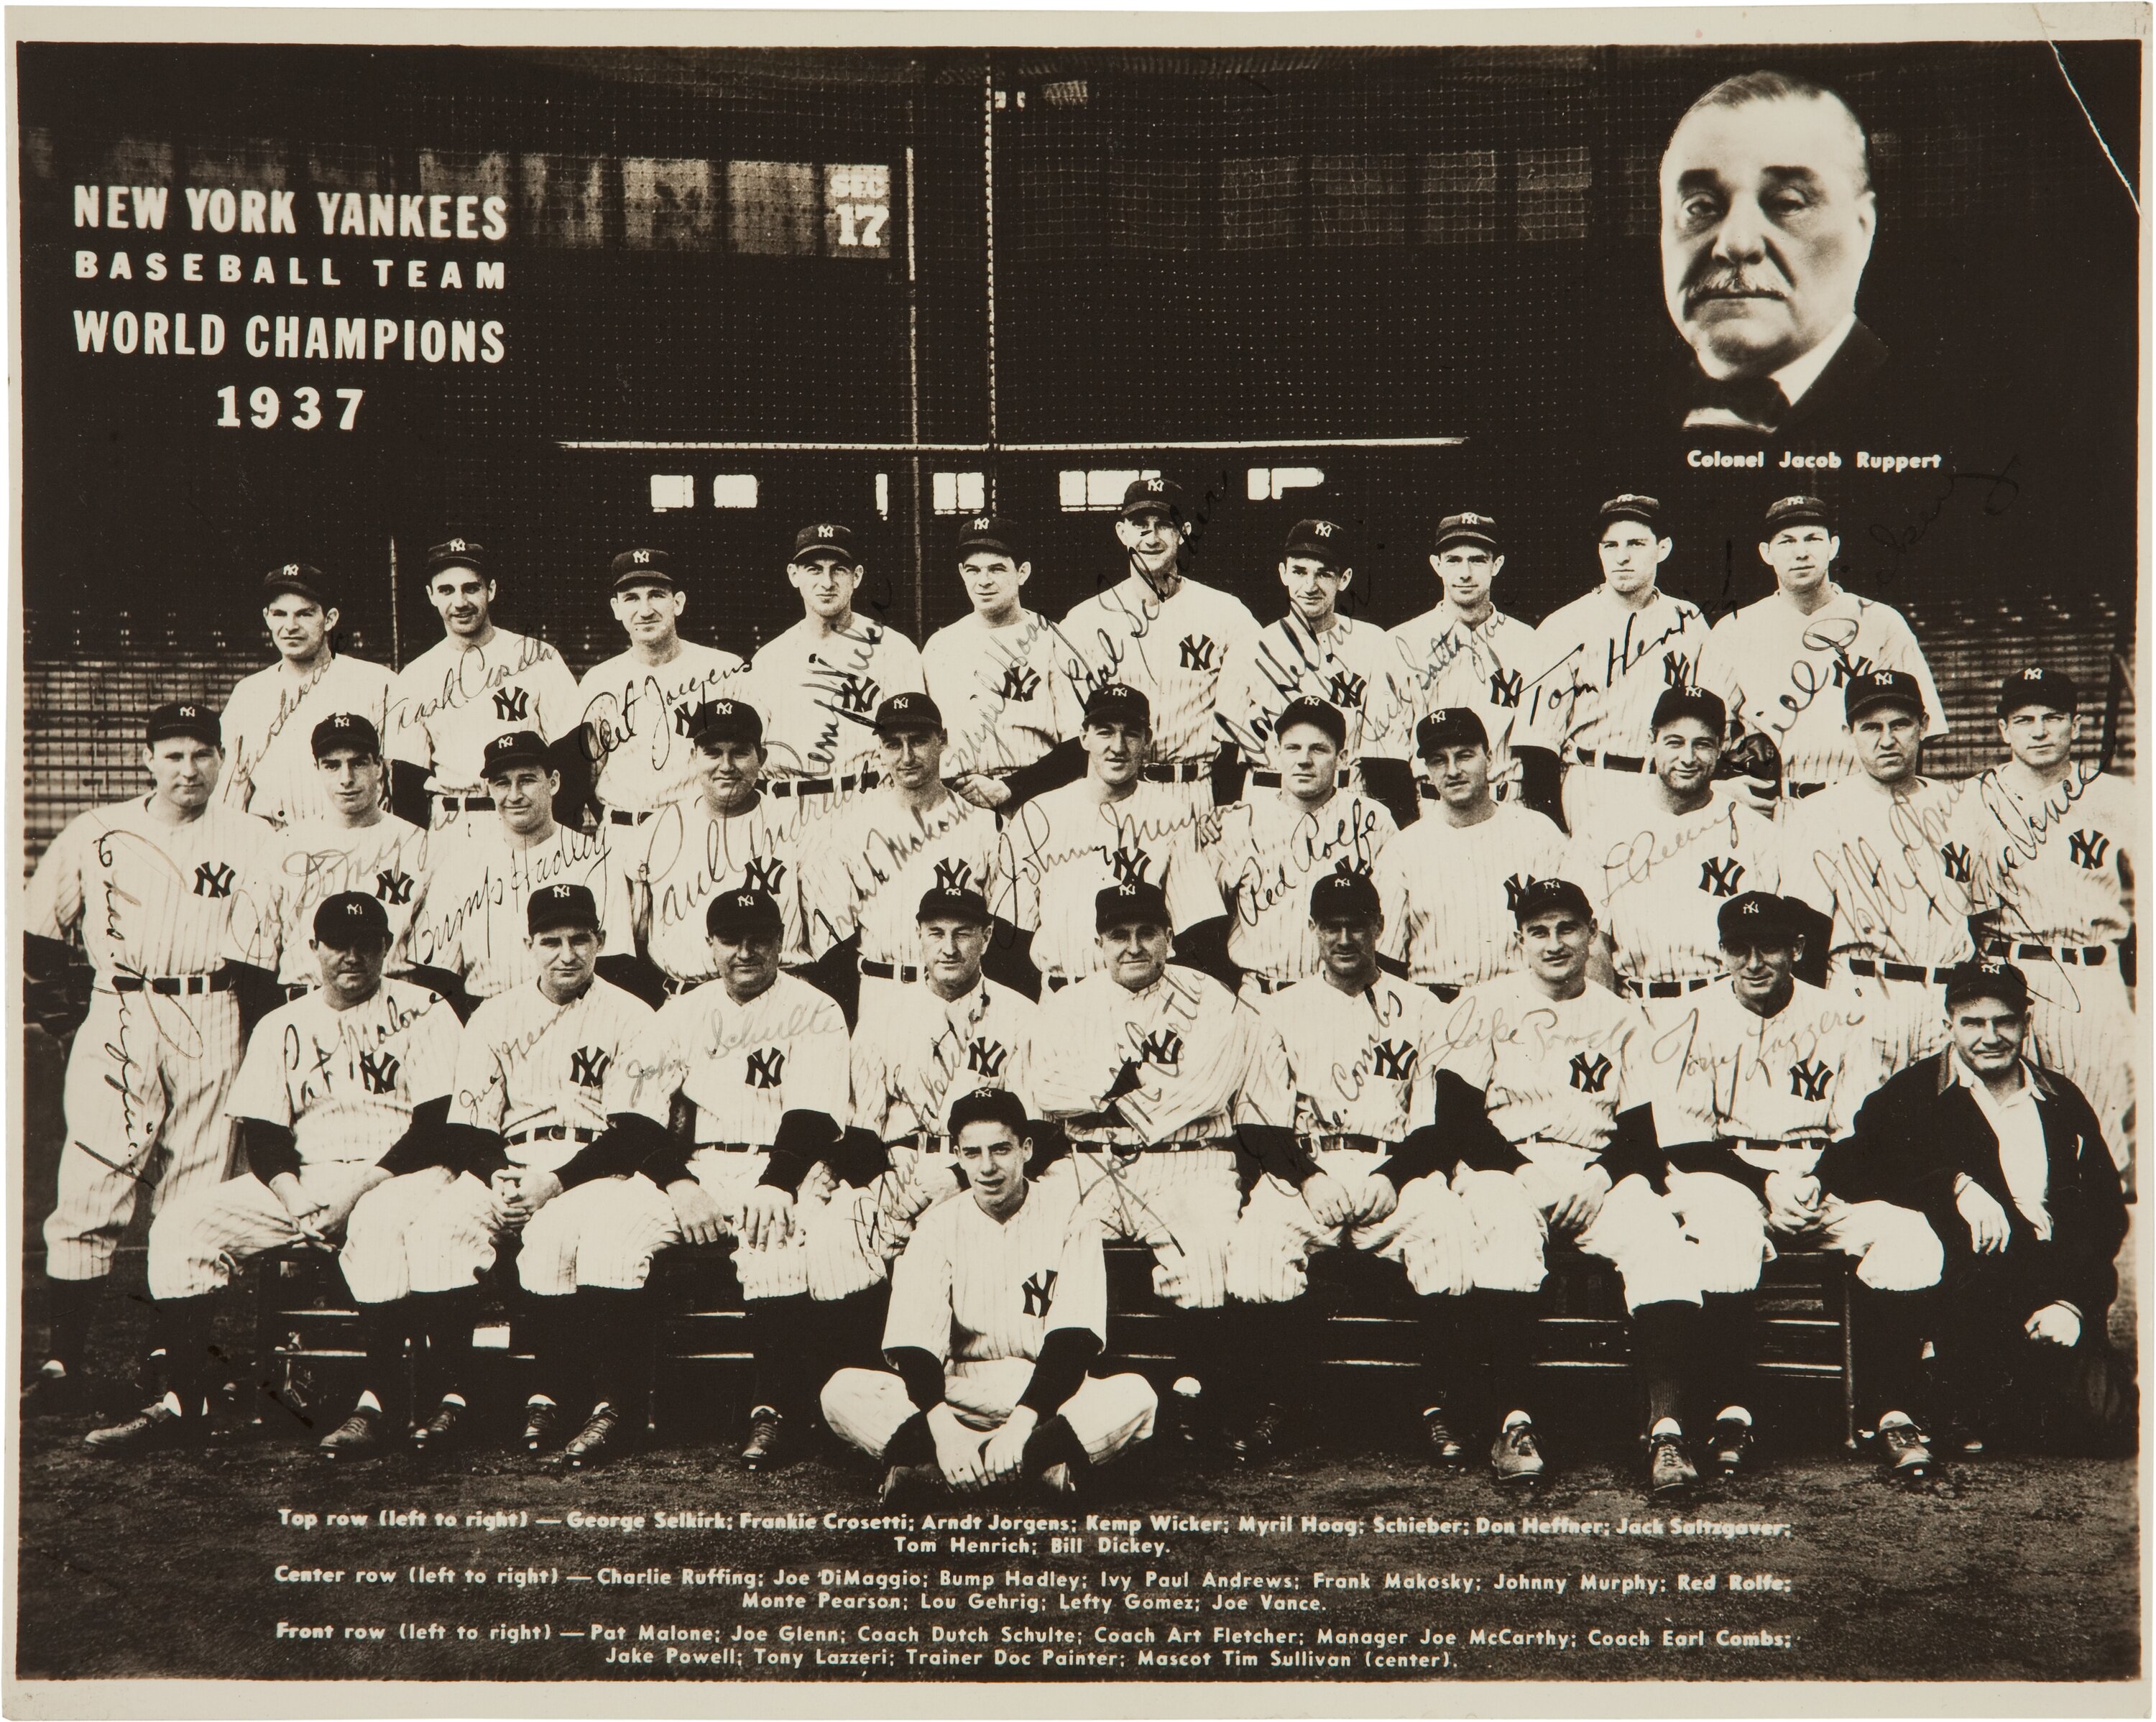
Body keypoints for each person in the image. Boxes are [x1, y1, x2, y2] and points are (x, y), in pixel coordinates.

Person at [81, 894, 461, 1454]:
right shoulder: (282, 1022)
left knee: (378, 1224)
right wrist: (295, 1198)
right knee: (184, 1226)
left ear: (387, 947)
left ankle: (377, 1404)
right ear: (313, 949)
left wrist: (357, 1191)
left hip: (402, 1176)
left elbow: (436, 1126)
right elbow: (264, 1133)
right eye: (338, 944)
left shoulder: (425, 1007)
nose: (352, 957)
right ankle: (184, 1403)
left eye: (366, 944)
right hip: (306, 1179)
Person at [510, 888, 857, 1471]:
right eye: (730, 940)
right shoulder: (681, 1012)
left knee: (775, 1250)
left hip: (777, 1165)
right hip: (695, 1167)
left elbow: (814, 1114)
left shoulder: (816, 1008)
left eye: (760, 939)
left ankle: (771, 1410)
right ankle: (615, 1408)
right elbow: (636, 1114)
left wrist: (775, 1183)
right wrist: (679, 1184)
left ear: (781, 943)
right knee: (612, 1237)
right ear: (710, 945)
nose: (745, 952)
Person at [1401, 878, 1708, 1496]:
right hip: (1507, 1166)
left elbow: (1642, 1133)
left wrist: (1597, 1179)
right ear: (1519, 942)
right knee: (1506, 1233)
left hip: (1595, 1167)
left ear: (1592, 934)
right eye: (1538, 931)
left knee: (1659, 1238)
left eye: (1567, 928)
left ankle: (1667, 1431)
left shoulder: (1624, 1016)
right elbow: (1458, 1119)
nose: (1554, 942)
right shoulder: (1481, 1004)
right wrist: (1525, 1174)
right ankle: (1514, 1422)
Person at [328, 883, 654, 1457]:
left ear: (601, 941)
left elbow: (633, 1134)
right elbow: (468, 1123)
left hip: (593, 1167)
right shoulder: (495, 1015)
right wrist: (500, 1174)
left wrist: (552, 1182)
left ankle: (553, 1395)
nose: (567, 954)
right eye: (551, 941)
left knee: (558, 1236)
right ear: (529, 944)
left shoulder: (633, 1014)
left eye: (581, 939)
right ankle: (461, 1396)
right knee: (437, 1232)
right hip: (508, 1162)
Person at [22, 703, 275, 1415]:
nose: (187, 769)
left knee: (195, 1188)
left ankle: (173, 1355)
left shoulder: (253, 836)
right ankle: (63, 1359)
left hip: (214, 1002)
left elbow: (267, 948)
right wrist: (66, 1018)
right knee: (92, 1180)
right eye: (172, 754)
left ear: (223, 760)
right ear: (147, 759)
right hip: (121, 1005)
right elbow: (38, 932)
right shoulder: (95, 829)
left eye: (201, 754)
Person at [1649, 890, 1938, 1477]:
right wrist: (1767, 1187)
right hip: (1725, 1174)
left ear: (1797, 949)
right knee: (1727, 1237)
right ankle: (1732, 1410)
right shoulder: (1688, 1015)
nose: (1754, 962)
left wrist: (1812, 1183)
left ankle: (1891, 1410)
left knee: (1911, 1236)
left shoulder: (1844, 1015)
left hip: (1818, 1172)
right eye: (1739, 949)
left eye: (1770, 948)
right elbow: (1683, 1140)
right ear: (1722, 952)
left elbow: (1859, 1129)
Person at [1818, 960, 2130, 1472]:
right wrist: (1954, 1184)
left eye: (2003, 1021)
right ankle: (1955, 1394)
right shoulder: (1917, 1093)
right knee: (2002, 1409)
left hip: (2052, 1288)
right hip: (1972, 1290)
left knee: (2109, 1426)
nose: (1991, 1037)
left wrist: (2073, 1304)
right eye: (1973, 1023)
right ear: (1949, 1025)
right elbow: (1846, 1165)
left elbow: (2103, 1218)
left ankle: (1983, 1399)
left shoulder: (2059, 1099)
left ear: (2027, 1021)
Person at [1222, 872, 1475, 1462]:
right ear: (1312, 931)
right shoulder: (1276, 1011)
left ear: (1379, 927)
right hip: (1308, 1165)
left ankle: (1441, 1406)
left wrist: (1395, 1176)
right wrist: (1308, 1179)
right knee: (1259, 1244)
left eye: (1357, 924)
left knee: (1450, 1234)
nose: (1344, 938)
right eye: (1331, 925)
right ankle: (1277, 1403)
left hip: (1394, 1165)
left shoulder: (1422, 1007)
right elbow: (1259, 1126)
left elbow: (1441, 1121)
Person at [1028, 881, 1281, 1440]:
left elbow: (1209, 1092)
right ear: (1099, 943)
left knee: (1207, 1247)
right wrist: (1121, 1086)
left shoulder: (1212, 997)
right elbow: (1044, 1087)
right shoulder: (1068, 1004)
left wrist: (1102, 1100)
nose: (1133, 947)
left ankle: (1192, 1390)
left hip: (1189, 1160)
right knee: (1046, 1238)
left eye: (1147, 933)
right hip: (1091, 1165)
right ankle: (1063, 1391)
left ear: (1169, 937)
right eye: (1119, 935)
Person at [821, 1088, 1158, 1501]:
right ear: (959, 1157)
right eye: (973, 1153)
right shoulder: (939, 1224)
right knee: (841, 1391)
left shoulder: (1071, 1214)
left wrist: (1019, 1429)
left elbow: (1075, 1340)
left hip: (1048, 1396)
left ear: (1026, 1150)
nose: (987, 1167)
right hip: (960, 1392)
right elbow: (913, 1346)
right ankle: (1034, 1471)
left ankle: (935, 1476)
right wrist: (946, 1435)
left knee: (1136, 1396)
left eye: (1000, 1149)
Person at [806, 886, 1040, 1304]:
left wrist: (957, 1177)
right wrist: (887, 1190)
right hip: (895, 1168)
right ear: (919, 935)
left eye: (963, 933)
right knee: (837, 1237)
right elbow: (863, 1131)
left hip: (979, 1173)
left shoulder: (1023, 1015)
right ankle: (866, 1363)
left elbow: (1031, 1126)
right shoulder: (882, 1017)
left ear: (986, 937)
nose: (949, 948)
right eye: (936, 933)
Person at [1954, 668, 2137, 1164]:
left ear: (2075, 725)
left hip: (2091, 974)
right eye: (2024, 719)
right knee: (2012, 1132)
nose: (2039, 731)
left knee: (2099, 1135)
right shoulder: (1972, 799)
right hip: (2010, 972)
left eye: (2053, 718)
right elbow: (1955, 900)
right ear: (2002, 729)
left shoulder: (2118, 798)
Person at [1659, 71, 1882, 436]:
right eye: (1700, 207)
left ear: (1863, 230)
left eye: (1787, 203)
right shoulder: (1606, 421)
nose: (1736, 244)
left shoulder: (1929, 410)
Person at [1781, 669, 1978, 1071]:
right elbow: (1806, 932)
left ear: (1924, 726)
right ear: (1847, 731)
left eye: (1900, 724)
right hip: (1859, 992)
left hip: (1944, 999)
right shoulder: (1819, 813)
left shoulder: (1965, 807)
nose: (1887, 740)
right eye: (1870, 727)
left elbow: (1982, 919)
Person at [1511, 494, 1736, 832]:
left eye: (1636, 543)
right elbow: (1537, 745)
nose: (1622, 557)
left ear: (1663, 548)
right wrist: (1553, 827)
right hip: (1591, 781)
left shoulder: (1689, 621)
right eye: (1610, 546)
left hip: (1667, 786)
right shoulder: (1564, 625)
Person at [798, 692, 1011, 1028]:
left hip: (963, 996)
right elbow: (834, 950)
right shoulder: (850, 830)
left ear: (942, 740)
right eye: (893, 744)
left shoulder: (985, 826)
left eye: (918, 741)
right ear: (880, 749)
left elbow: (1002, 937)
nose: (907, 756)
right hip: (882, 992)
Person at [1567, 687, 1782, 1018]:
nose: (1687, 758)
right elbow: (1593, 945)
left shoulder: (1756, 834)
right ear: (1651, 740)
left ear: (1722, 746)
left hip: (1728, 1010)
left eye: (1703, 744)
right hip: (1637, 1007)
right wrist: (1609, 1022)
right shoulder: (1603, 829)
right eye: (1675, 742)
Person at [1713, 495, 1945, 801]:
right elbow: (1707, 729)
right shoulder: (1734, 629)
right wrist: (1721, 788)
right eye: (1787, 541)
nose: (1801, 552)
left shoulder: (1881, 621)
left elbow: (1919, 728)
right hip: (1774, 801)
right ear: (1765, 553)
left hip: (1863, 798)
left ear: (1834, 547)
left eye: (1813, 538)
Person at [1055, 477, 1260, 817]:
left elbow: (1243, 726)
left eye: (1165, 525)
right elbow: (1074, 731)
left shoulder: (1227, 614)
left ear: (1184, 532)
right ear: (1122, 532)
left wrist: (1225, 803)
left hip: (1196, 792)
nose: (1152, 537)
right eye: (1140, 525)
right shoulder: (1084, 621)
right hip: (1115, 792)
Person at [1000, 682, 1220, 992]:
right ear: (1084, 737)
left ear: (1147, 740)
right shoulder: (1038, 815)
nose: (1118, 746)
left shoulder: (1173, 816)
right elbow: (1009, 935)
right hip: (1061, 995)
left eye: (1131, 733)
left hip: (1143, 997)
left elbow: (1197, 930)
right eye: (1105, 731)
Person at [602, 697, 806, 1000]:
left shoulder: (798, 827)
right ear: (694, 755)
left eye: (739, 753)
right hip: (682, 999)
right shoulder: (657, 829)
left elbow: (825, 946)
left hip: (776, 1000)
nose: (726, 766)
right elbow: (635, 940)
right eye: (713, 753)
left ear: (761, 757)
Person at [221, 714, 432, 1000]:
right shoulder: (284, 847)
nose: (347, 779)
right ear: (317, 769)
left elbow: (434, 963)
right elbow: (251, 959)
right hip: (304, 1004)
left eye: (358, 762)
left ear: (379, 766)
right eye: (332, 766)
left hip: (392, 1009)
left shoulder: (420, 845)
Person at [400, 730, 615, 1011]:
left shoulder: (595, 858)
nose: (514, 795)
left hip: (575, 1017)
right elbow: (436, 976)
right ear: (489, 789)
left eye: (527, 780)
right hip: (486, 1016)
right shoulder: (460, 866)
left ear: (553, 782)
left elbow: (613, 965)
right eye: (503, 783)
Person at [385, 539, 582, 844]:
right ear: (431, 596)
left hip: (529, 824)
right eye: (446, 590)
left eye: (471, 588)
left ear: (491, 590)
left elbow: (570, 757)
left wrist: (561, 839)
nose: (460, 602)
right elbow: (408, 782)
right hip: (452, 826)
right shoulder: (414, 677)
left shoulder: (539, 658)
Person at [1199, 698, 1396, 1000]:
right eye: (1293, 748)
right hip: (1263, 997)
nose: (1304, 760)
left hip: (1345, 996)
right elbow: (1203, 926)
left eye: (1318, 749)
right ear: (1277, 753)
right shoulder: (1237, 823)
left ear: (1341, 758)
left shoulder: (1373, 821)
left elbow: (1391, 920)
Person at [1215, 517, 1414, 817]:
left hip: (1347, 794)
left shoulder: (1374, 643)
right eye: (1299, 571)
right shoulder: (1249, 647)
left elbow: (1385, 752)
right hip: (1266, 796)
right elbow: (1226, 751)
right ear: (1283, 573)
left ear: (1344, 579)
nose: (1310, 586)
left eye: (1324, 574)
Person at [1369, 709, 1567, 1003]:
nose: (1452, 771)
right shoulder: (1403, 850)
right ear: (1427, 770)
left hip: (1523, 1005)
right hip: (1438, 1008)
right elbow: (1386, 962)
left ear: (1488, 758)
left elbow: (1569, 938)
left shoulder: (1538, 832)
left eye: (1464, 755)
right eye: (1439, 760)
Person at [740, 521, 926, 834]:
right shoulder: (768, 660)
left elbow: (919, 747)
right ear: (793, 575)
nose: (827, 582)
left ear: (857, 577)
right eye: (814, 569)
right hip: (787, 813)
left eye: (838, 569)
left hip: (870, 804)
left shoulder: (894, 649)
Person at [575, 548, 747, 829]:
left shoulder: (725, 670)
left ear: (677, 603)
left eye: (656, 595)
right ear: (616, 608)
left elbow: (748, 762)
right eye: (632, 598)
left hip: (699, 829)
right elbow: (588, 772)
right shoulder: (598, 681)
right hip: (621, 829)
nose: (645, 611)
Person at [921, 514, 1085, 804]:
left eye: (997, 569)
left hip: (1038, 797)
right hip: (960, 798)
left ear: (1022, 572)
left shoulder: (1054, 639)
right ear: (961, 572)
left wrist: (1013, 787)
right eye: (973, 570)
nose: (984, 581)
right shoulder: (939, 646)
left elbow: (1080, 744)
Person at [217, 562, 396, 826]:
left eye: (305, 614)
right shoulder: (248, 694)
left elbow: (398, 782)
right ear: (267, 617)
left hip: (356, 844)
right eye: (280, 614)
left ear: (330, 619)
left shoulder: (376, 683)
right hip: (276, 843)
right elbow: (230, 792)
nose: (290, 626)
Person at [1386, 512, 1537, 805]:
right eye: (1454, 560)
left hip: (1507, 801)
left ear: (1497, 564)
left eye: (1477, 560)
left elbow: (1537, 744)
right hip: (1431, 804)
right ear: (1436, 565)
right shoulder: (1401, 641)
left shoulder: (1528, 640)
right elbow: (1387, 748)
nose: (1465, 573)